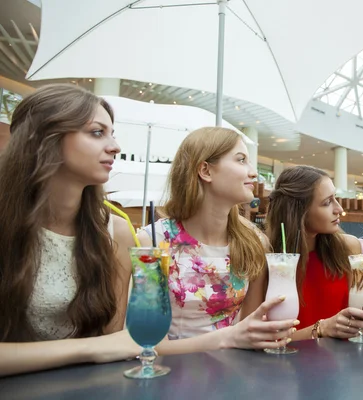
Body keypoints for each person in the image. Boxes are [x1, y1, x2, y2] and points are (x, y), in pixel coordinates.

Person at [0, 84, 139, 377]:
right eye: (97, 132)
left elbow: (112, 342)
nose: (114, 146)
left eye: (112, 134)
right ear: (44, 137)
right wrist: (90, 348)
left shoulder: (114, 232)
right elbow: (106, 346)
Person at [138, 127, 298, 354]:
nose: (253, 173)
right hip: (169, 375)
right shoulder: (152, 242)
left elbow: (249, 331)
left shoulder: (253, 242)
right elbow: (146, 345)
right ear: (206, 170)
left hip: (232, 374)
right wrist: (228, 337)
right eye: (241, 160)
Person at [266, 166, 363, 340]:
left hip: (345, 360)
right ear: (300, 211)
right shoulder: (271, 259)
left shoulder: (348, 247)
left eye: (335, 198)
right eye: (327, 202)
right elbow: (263, 337)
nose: (338, 208)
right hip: (290, 362)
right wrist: (321, 329)